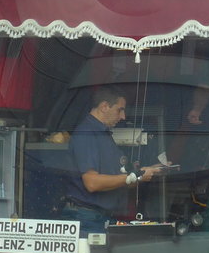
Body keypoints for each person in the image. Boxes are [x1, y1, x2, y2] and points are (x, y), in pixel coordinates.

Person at [62, 86, 162, 233]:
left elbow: (119, 180)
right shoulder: (87, 134)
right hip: (86, 217)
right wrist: (135, 176)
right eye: (119, 110)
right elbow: (92, 183)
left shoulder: (103, 134)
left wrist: (145, 172)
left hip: (98, 217)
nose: (123, 117)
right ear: (104, 106)